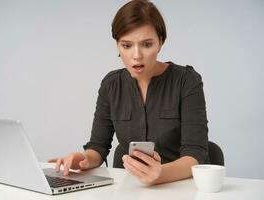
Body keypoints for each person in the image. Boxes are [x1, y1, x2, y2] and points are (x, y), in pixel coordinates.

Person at [48, 0, 209, 185]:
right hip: (131, 190)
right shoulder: (111, 85)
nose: (137, 55)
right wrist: (82, 159)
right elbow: (98, 148)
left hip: (182, 188)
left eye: (147, 44)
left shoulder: (187, 81)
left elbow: (195, 153)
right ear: (118, 45)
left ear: (160, 42)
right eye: (126, 46)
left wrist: (160, 174)